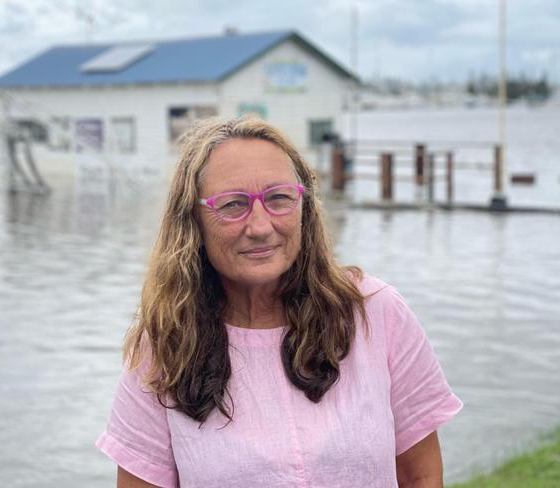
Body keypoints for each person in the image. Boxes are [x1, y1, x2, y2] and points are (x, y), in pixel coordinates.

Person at [96, 117, 462, 487]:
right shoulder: (163, 345)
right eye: (232, 204)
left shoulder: (377, 312)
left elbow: (420, 475)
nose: (259, 226)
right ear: (193, 221)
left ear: (305, 207)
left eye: (279, 198)